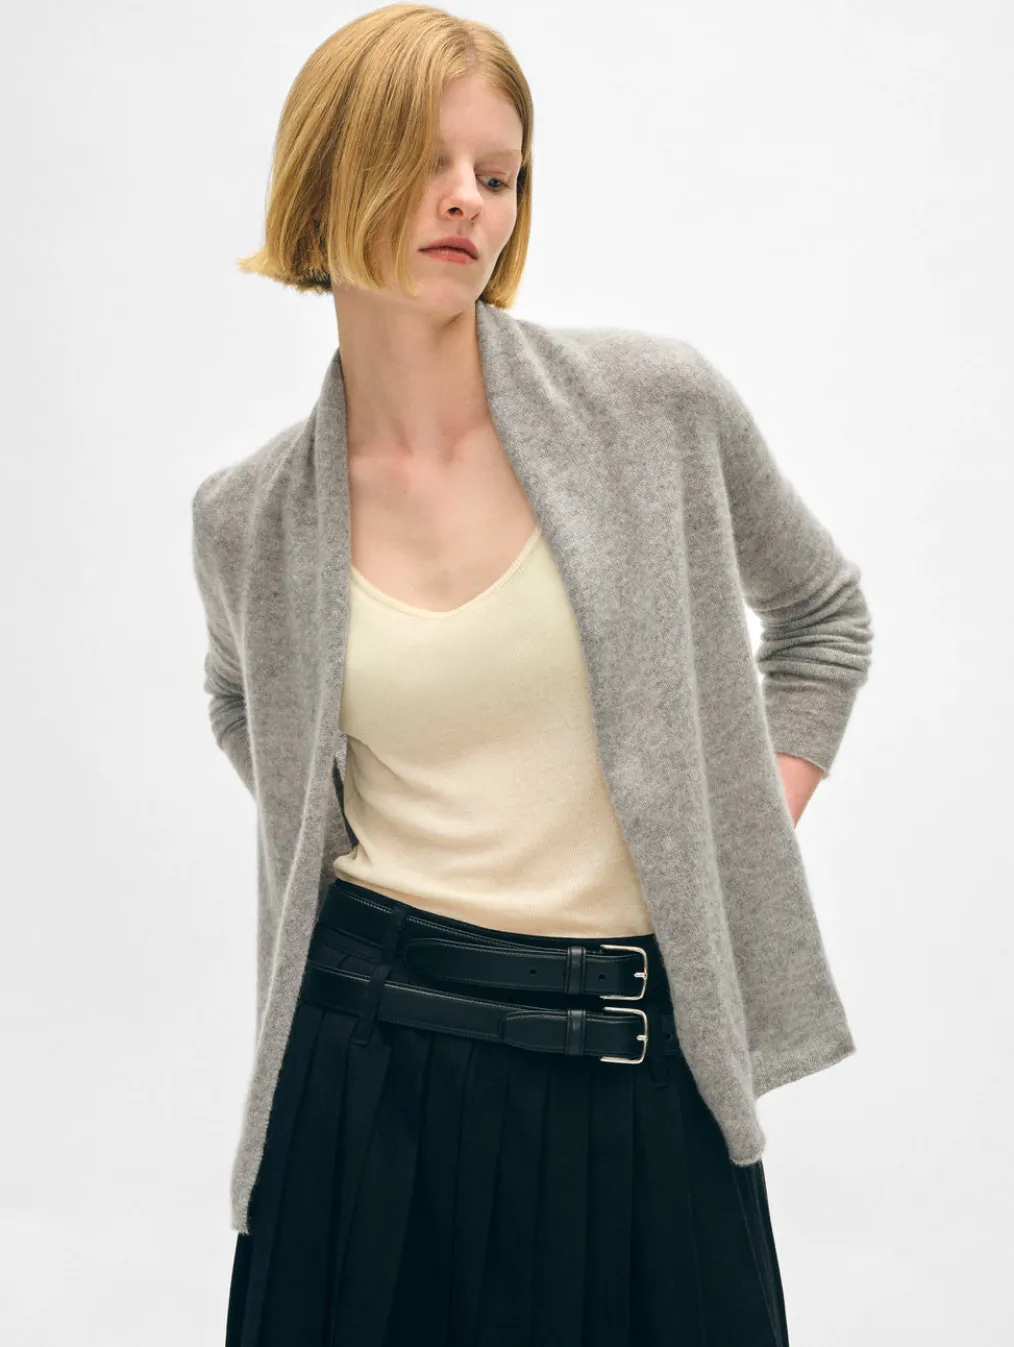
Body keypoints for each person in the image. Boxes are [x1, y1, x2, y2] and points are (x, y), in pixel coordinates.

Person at [193, 6, 874, 1345]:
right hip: (360, 1076)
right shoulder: (249, 516)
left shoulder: (654, 407)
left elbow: (821, 620)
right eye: (426, 163)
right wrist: (332, 822)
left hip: (635, 1062)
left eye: (497, 174)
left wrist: (726, 823)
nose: (469, 201)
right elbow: (239, 699)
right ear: (327, 179)